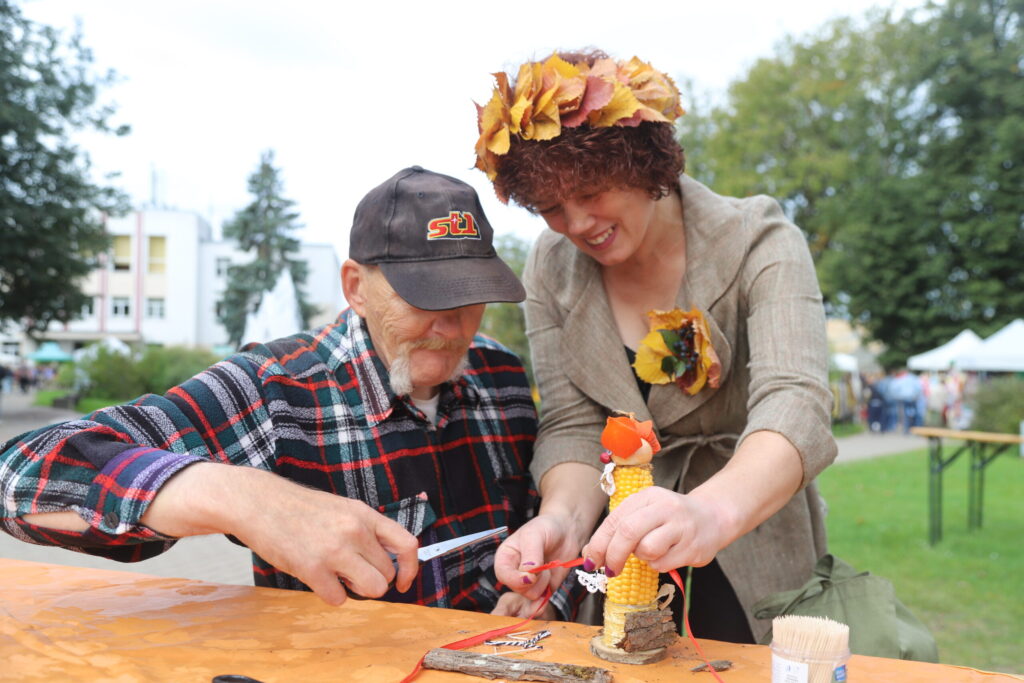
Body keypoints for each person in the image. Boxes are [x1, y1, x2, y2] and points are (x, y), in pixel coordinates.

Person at [0, 166, 572, 618]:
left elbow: (539, 530)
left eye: (469, 298)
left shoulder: (501, 375)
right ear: (356, 287)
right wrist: (244, 499)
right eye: (424, 299)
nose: (450, 330)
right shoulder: (279, 391)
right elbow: (21, 474)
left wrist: (542, 590)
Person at [475, 51, 837, 642]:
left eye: (590, 191)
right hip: (626, 567)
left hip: (755, 543)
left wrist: (708, 512)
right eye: (550, 209)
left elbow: (795, 402)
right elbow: (571, 423)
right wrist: (562, 521)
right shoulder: (550, 264)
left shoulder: (760, 239)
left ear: (642, 161)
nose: (577, 224)